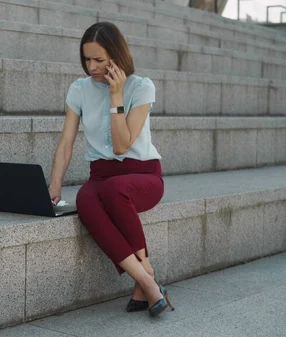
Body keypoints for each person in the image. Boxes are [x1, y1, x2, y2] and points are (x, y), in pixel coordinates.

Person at [48, 22, 173, 317]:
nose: (91, 67)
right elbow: (66, 142)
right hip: (101, 176)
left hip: (143, 175)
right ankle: (146, 279)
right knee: (86, 199)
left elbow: (121, 145)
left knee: (114, 190)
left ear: (116, 56)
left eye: (99, 60)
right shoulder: (79, 89)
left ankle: (147, 284)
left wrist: (116, 96)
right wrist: (54, 185)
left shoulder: (141, 87)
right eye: (86, 59)